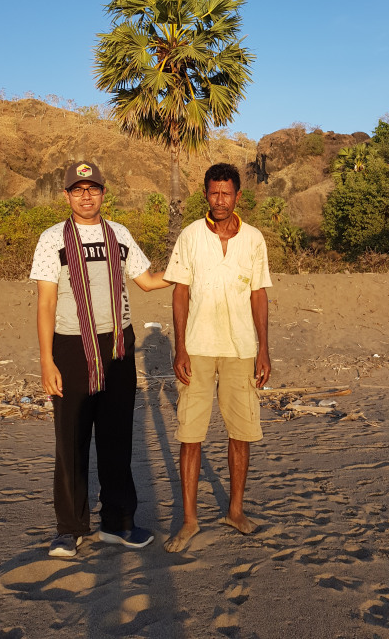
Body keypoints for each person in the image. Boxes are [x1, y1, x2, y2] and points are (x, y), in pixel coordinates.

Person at [30, 161, 171, 558]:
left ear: (104, 193)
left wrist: (189, 267)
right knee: (71, 439)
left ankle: (118, 522)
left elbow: (146, 281)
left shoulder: (119, 235)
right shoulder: (52, 239)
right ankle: (69, 528)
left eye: (93, 189)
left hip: (117, 347)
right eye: (78, 189)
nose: (86, 196)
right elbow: (44, 303)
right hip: (71, 347)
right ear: (66, 196)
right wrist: (46, 360)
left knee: (116, 437)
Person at [163, 162, 272, 552]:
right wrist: (179, 348)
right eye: (213, 193)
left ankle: (235, 511)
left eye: (227, 193)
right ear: (205, 194)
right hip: (198, 347)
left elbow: (259, 294)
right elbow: (179, 292)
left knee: (240, 433)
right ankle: (190, 520)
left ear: (238, 196)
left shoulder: (254, 240)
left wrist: (264, 349)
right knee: (191, 435)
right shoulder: (191, 236)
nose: (220, 200)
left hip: (242, 348)